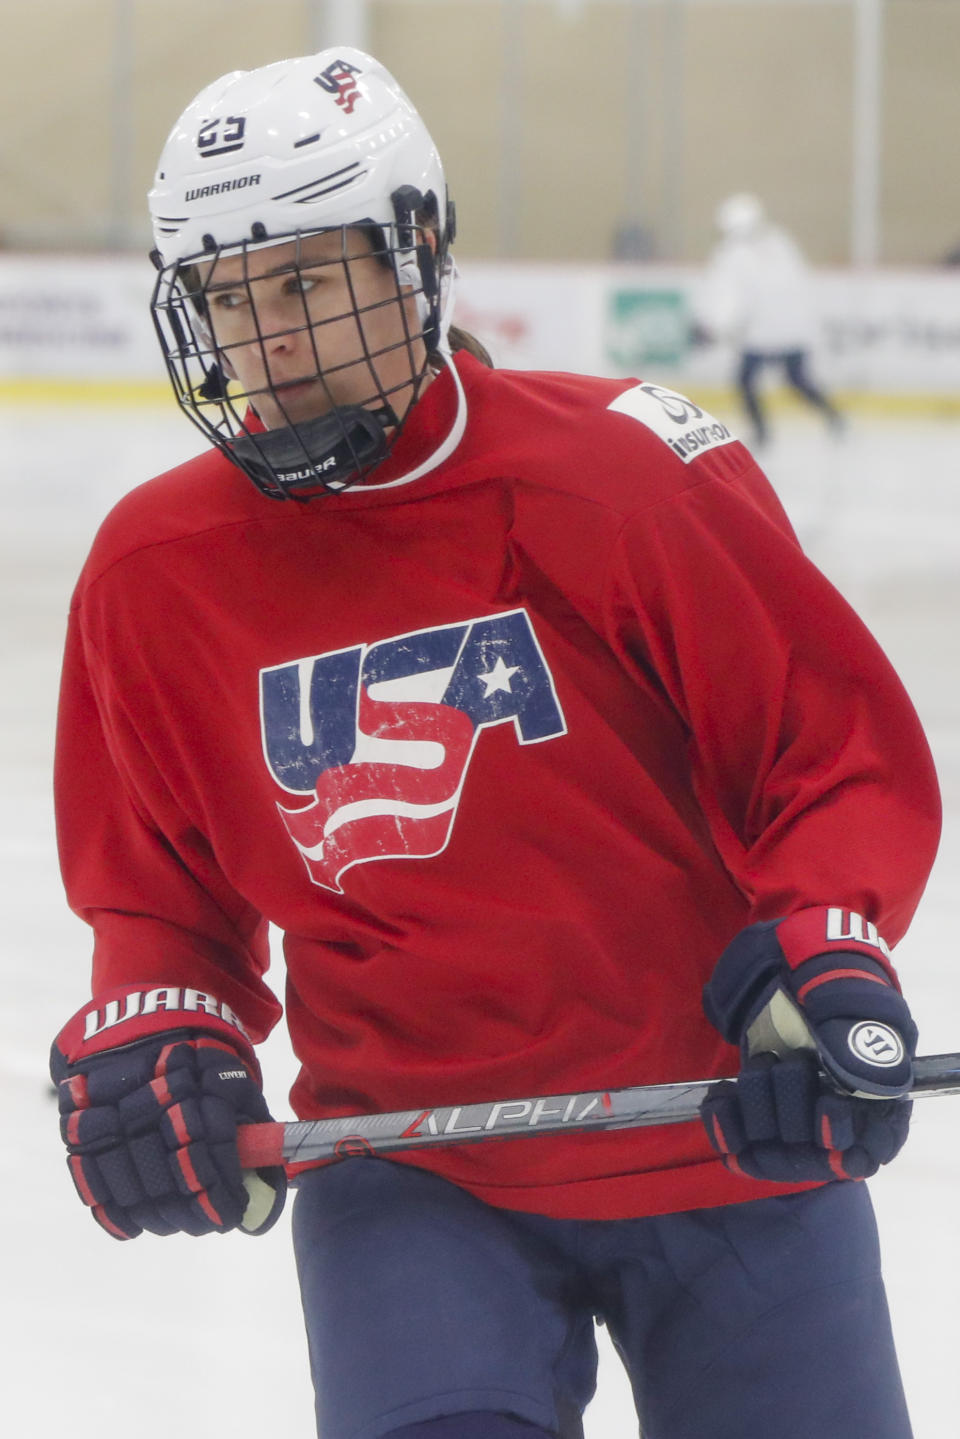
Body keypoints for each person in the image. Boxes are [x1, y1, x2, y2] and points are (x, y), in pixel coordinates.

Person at [50, 49, 940, 1439]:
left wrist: (829, 939)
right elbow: (156, 890)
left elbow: (825, 750)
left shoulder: (626, 476)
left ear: (417, 249)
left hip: (718, 1123)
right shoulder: (153, 568)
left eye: (302, 281)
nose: (267, 340)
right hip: (411, 1172)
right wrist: (164, 1019)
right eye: (228, 297)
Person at [695, 192, 845, 448]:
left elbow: (731, 297)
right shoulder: (781, 242)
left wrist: (712, 327)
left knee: (745, 381)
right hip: (793, 330)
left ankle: (762, 432)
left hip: (760, 334)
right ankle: (834, 417)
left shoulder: (734, 253)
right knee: (797, 380)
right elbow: (799, 286)